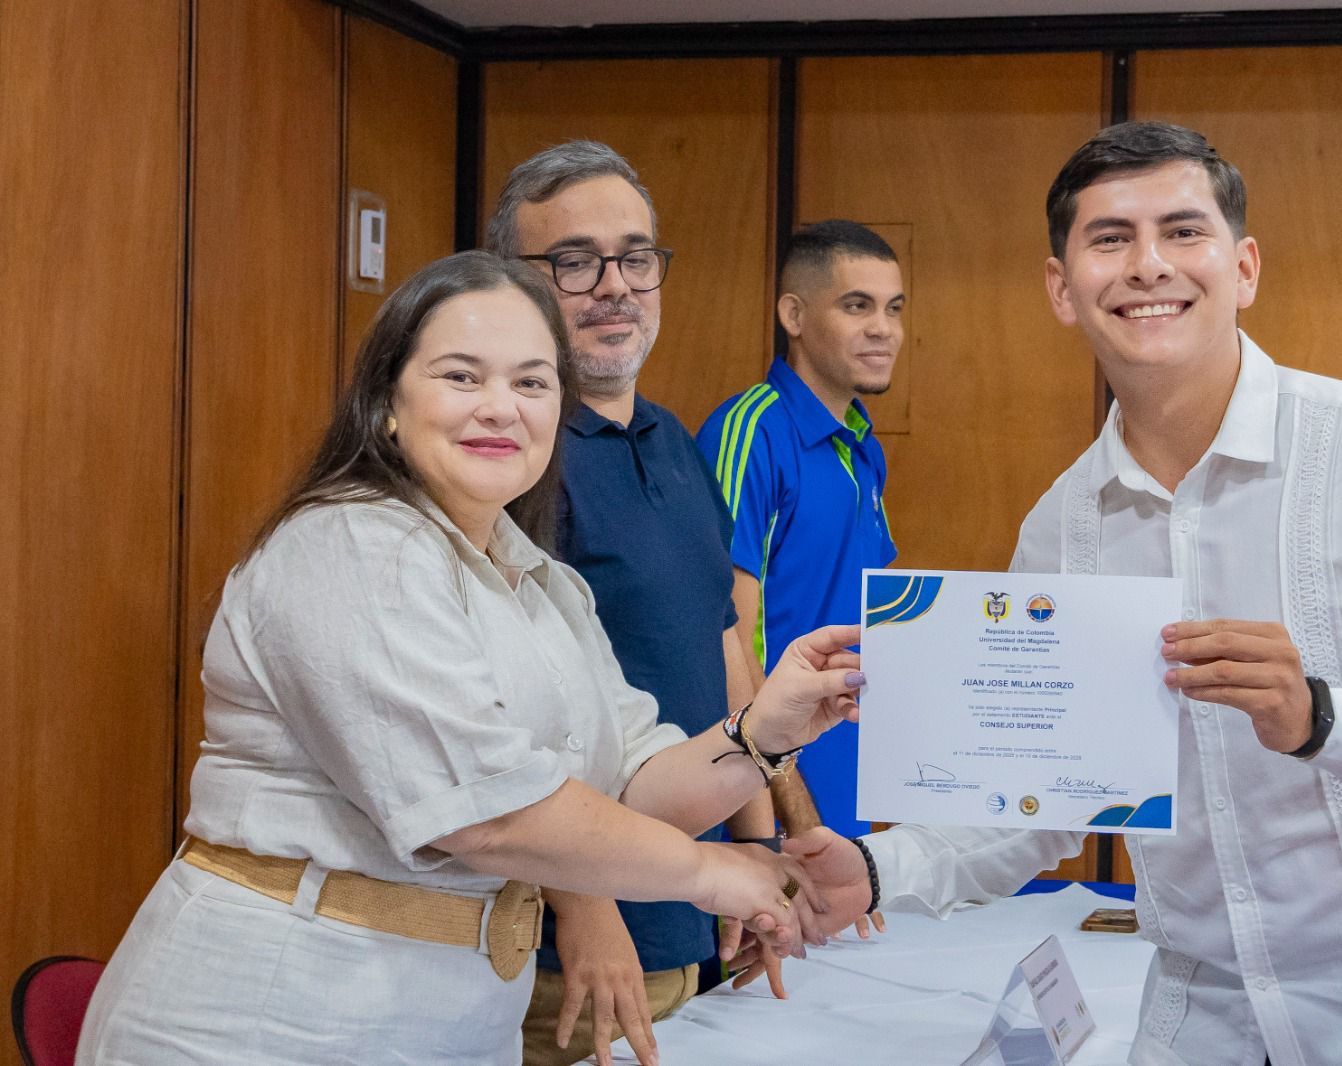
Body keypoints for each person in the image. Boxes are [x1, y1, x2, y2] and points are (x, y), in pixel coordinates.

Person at [787, 122, 1342, 1066]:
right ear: (1061, 287)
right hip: (1204, 1024)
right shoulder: (1063, 528)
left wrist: (1324, 717)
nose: (1147, 266)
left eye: (1183, 231)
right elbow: (1047, 793)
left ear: (1243, 267)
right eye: (1109, 239)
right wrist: (879, 870)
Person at [76, 251, 863, 1066]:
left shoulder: (542, 584)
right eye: (461, 376)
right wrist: (712, 872)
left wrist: (764, 733)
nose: (501, 408)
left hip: (449, 1021)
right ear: (386, 401)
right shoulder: (348, 544)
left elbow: (631, 788)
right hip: (273, 1018)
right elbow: (489, 814)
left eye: (531, 383)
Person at [483, 141, 787, 1064]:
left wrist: (762, 847)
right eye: (575, 261)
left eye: (636, 256)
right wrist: (590, 907)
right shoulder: (513, 462)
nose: (615, 284)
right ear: (515, 284)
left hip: (701, 909)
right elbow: (513, 712)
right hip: (573, 941)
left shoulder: (676, 442)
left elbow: (721, 646)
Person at [696, 220, 904, 839]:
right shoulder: (750, 432)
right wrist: (789, 818)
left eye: (893, 308)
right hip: (773, 799)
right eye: (856, 305)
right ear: (794, 313)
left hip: (846, 788)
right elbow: (727, 639)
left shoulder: (863, 445)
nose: (883, 329)